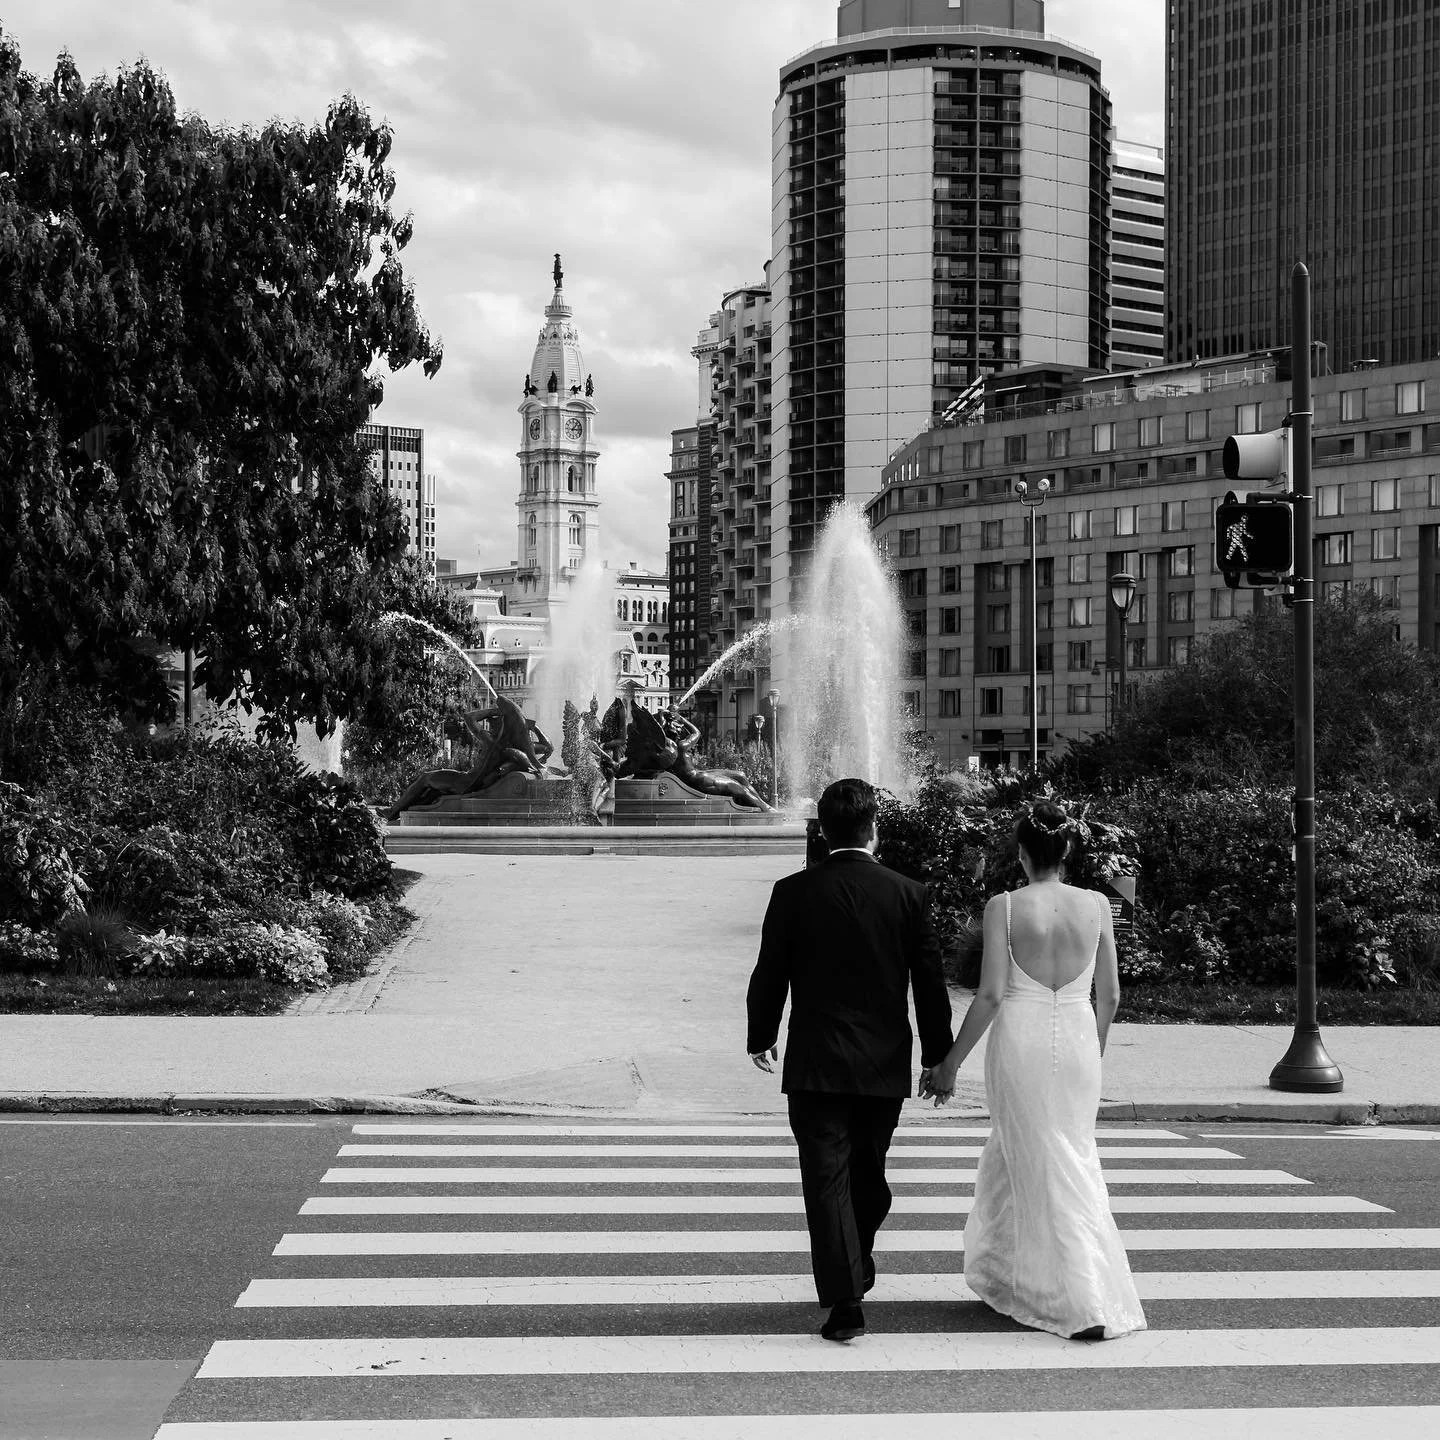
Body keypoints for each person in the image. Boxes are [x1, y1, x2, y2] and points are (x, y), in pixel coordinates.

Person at [921, 799, 1146, 1342]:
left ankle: (1073, 1298)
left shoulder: (1003, 905)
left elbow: (993, 994)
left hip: (1020, 1039)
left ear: (1022, 853)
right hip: (1075, 1038)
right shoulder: (1097, 905)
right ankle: (1036, 1282)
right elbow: (1110, 995)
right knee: (1070, 1153)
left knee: (1026, 1153)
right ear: (1067, 849)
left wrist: (950, 1062)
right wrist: (1096, 1046)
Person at [746, 777, 954, 1342]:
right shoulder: (909, 894)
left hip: (815, 1062)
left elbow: (771, 971)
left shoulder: (793, 892)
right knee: (865, 1174)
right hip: (883, 1063)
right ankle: (847, 1296)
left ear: (823, 831)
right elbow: (929, 986)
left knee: (831, 1180)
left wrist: (761, 1033)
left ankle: (848, 1275)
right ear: (874, 831)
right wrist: (940, 1056)